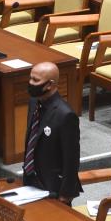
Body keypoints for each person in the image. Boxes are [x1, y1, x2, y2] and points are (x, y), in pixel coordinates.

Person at [23, 62, 82, 205]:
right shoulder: (34, 102)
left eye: (36, 80)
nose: (30, 83)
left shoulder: (65, 115)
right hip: (31, 179)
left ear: (49, 84)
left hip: (53, 187)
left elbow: (71, 158)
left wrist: (66, 193)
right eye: (30, 78)